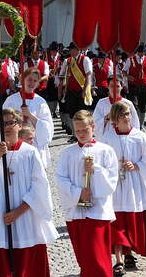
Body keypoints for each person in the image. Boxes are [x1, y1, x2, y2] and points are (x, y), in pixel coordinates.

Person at [0, 108, 58, 277]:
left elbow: (40, 187)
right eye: (3, 124)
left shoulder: (30, 152)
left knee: (28, 264)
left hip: (26, 217)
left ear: (19, 125)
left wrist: (19, 211)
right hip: (0, 216)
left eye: (11, 122)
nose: (8, 127)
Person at [56, 110, 119, 277]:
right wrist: (78, 193)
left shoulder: (106, 151)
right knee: (84, 258)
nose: (81, 134)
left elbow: (112, 181)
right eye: (77, 131)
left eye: (85, 130)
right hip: (76, 211)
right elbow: (60, 179)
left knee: (97, 258)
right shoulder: (67, 153)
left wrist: (96, 170)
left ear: (93, 127)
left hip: (98, 212)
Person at [101, 101, 146, 276]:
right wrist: (113, 167)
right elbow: (101, 161)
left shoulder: (140, 136)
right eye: (122, 115)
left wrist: (136, 165)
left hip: (134, 184)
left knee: (132, 220)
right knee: (117, 221)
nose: (127, 118)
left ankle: (129, 254)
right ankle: (118, 259)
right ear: (114, 120)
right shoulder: (107, 138)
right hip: (116, 185)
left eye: (128, 114)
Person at [0, 68, 54, 169]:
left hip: (34, 144)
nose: (31, 83)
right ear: (23, 79)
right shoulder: (11, 100)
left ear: (38, 83)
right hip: (14, 145)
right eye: (29, 79)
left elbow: (48, 128)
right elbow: (0, 122)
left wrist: (30, 115)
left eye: (35, 80)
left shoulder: (40, 102)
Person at [58, 42, 93, 143]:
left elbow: (88, 76)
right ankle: (75, 134)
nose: (71, 51)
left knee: (82, 114)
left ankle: (86, 134)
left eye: (73, 49)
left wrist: (85, 90)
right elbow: (61, 76)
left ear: (78, 50)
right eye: (70, 50)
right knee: (72, 114)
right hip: (70, 91)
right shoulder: (67, 61)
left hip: (81, 91)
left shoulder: (85, 59)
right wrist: (60, 91)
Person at [123, 43, 146, 129]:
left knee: (143, 106)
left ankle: (141, 125)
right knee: (134, 105)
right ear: (137, 52)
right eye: (140, 52)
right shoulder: (130, 59)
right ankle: (135, 124)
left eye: (143, 52)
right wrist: (128, 76)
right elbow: (124, 71)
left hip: (144, 86)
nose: (142, 54)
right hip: (133, 86)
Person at [46, 41, 61, 118]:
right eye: (52, 50)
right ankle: (50, 111)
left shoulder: (60, 58)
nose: (53, 52)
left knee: (56, 96)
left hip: (58, 79)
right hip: (49, 79)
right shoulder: (46, 57)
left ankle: (55, 111)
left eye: (55, 51)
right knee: (50, 96)